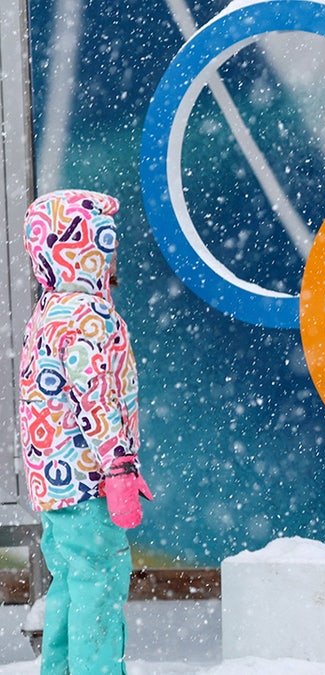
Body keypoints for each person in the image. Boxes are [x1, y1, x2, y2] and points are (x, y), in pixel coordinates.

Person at [19, 189, 153, 675]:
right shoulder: (85, 317)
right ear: (87, 246)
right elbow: (95, 396)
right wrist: (118, 466)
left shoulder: (49, 312)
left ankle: (60, 668)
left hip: (55, 482)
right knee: (99, 582)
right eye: (107, 243)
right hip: (88, 479)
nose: (113, 255)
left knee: (71, 582)